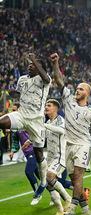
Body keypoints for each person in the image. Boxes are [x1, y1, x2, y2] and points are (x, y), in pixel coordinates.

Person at [50, 53, 91, 215]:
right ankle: (86, 210)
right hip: (69, 144)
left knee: (79, 176)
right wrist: (55, 63)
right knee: (75, 180)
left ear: (87, 93)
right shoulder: (68, 101)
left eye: (81, 89)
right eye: (77, 88)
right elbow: (59, 81)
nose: (77, 90)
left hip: (84, 145)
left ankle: (72, 205)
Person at [0, 53, 51, 204]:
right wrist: (9, 91)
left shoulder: (44, 79)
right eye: (29, 64)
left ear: (39, 67)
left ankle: (43, 182)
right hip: (22, 115)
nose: (30, 65)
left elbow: (47, 78)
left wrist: (34, 59)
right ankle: (9, 137)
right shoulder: (22, 79)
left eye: (33, 65)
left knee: (39, 154)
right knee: (1, 122)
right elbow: (19, 93)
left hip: (36, 121)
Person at [44, 99, 72, 215]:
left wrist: (45, 125)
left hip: (60, 156)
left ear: (55, 108)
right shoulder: (48, 121)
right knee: (48, 184)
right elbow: (43, 136)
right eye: (45, 105)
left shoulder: (60, 120)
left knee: (50, 176)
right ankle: (60, 211)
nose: (46, 107)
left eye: (49, 105)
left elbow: (61, 130)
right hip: (50, 158)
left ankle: (68, 199)